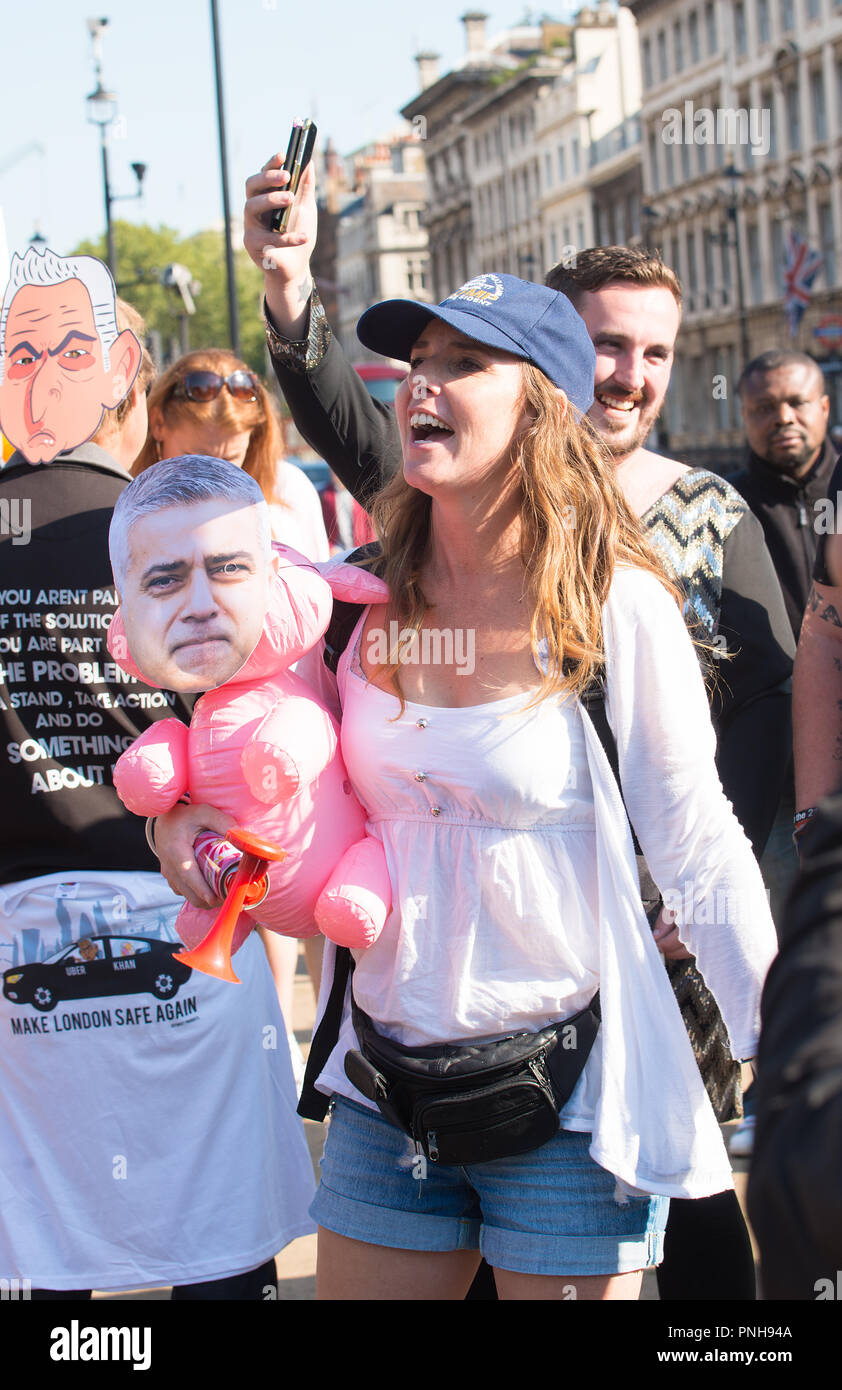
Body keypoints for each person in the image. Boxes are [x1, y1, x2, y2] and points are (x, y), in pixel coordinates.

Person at [243, 154, 790, 1300]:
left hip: (568, 1097)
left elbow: (693, 835)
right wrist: (189, 828)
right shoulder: (355, 595)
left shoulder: (614, 600)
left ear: (538, 401)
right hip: (383, 1093)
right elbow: (266, 772)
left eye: (461, 365)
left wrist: (783, 1059)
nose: (419, 386)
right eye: (417, 364)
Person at [0, 295, 315, 1299]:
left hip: (19, 928)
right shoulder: (194, 535)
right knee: (218, 1240)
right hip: (190, 911)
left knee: (43, 1244)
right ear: (127, 388)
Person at [132, 346, 330, 1055]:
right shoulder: (142, 516)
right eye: (206, 450)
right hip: (198, 726)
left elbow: (322, 597)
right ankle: (273, 1044)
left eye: (236, 448)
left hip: (293, 718)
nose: (224, 465)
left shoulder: (285, 499)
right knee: (244, 891)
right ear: (161, 429)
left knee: (312, 886)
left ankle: (321, 1050)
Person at [133, 347, 329, 561]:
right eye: (197, 459)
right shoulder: (128, 507)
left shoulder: (289, 489)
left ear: (253, 438)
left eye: (230, 460)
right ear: (158, 424)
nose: (212, 479)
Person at [729, 350, 836, 644]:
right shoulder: (725, 507)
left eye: (798, 403)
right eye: (765, 407)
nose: (784, 418)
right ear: (745, 416)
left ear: (824, 407)